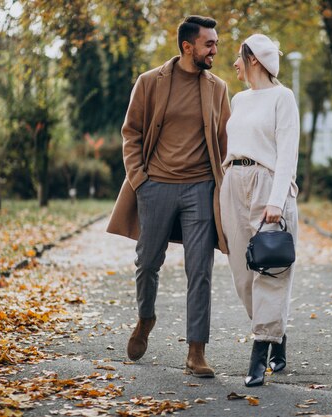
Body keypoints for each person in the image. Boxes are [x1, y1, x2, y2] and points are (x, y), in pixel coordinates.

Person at [106, 15, 230, 378]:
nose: (215, 50)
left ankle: (196, 352)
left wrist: (224, 184)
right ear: (187, 46)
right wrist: (140, 180)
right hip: (155, 185)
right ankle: (146, 319)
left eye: (216, 43)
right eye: (209, 43)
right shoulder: (150, 82)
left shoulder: (218, 88)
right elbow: (131, 133)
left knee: (200, 270)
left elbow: (225, 141)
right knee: (147, 262)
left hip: (201, 188)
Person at [220, 34, 300, 387]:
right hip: (234, 182)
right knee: (242, 273)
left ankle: (259, 352)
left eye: (239, 57)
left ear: (252, 59)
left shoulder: (283, 97)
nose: (234, 63)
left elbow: (287, 152)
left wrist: (277, 200)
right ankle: (275, 334)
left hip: (268, 185)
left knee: (269, 270)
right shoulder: (238, 99)